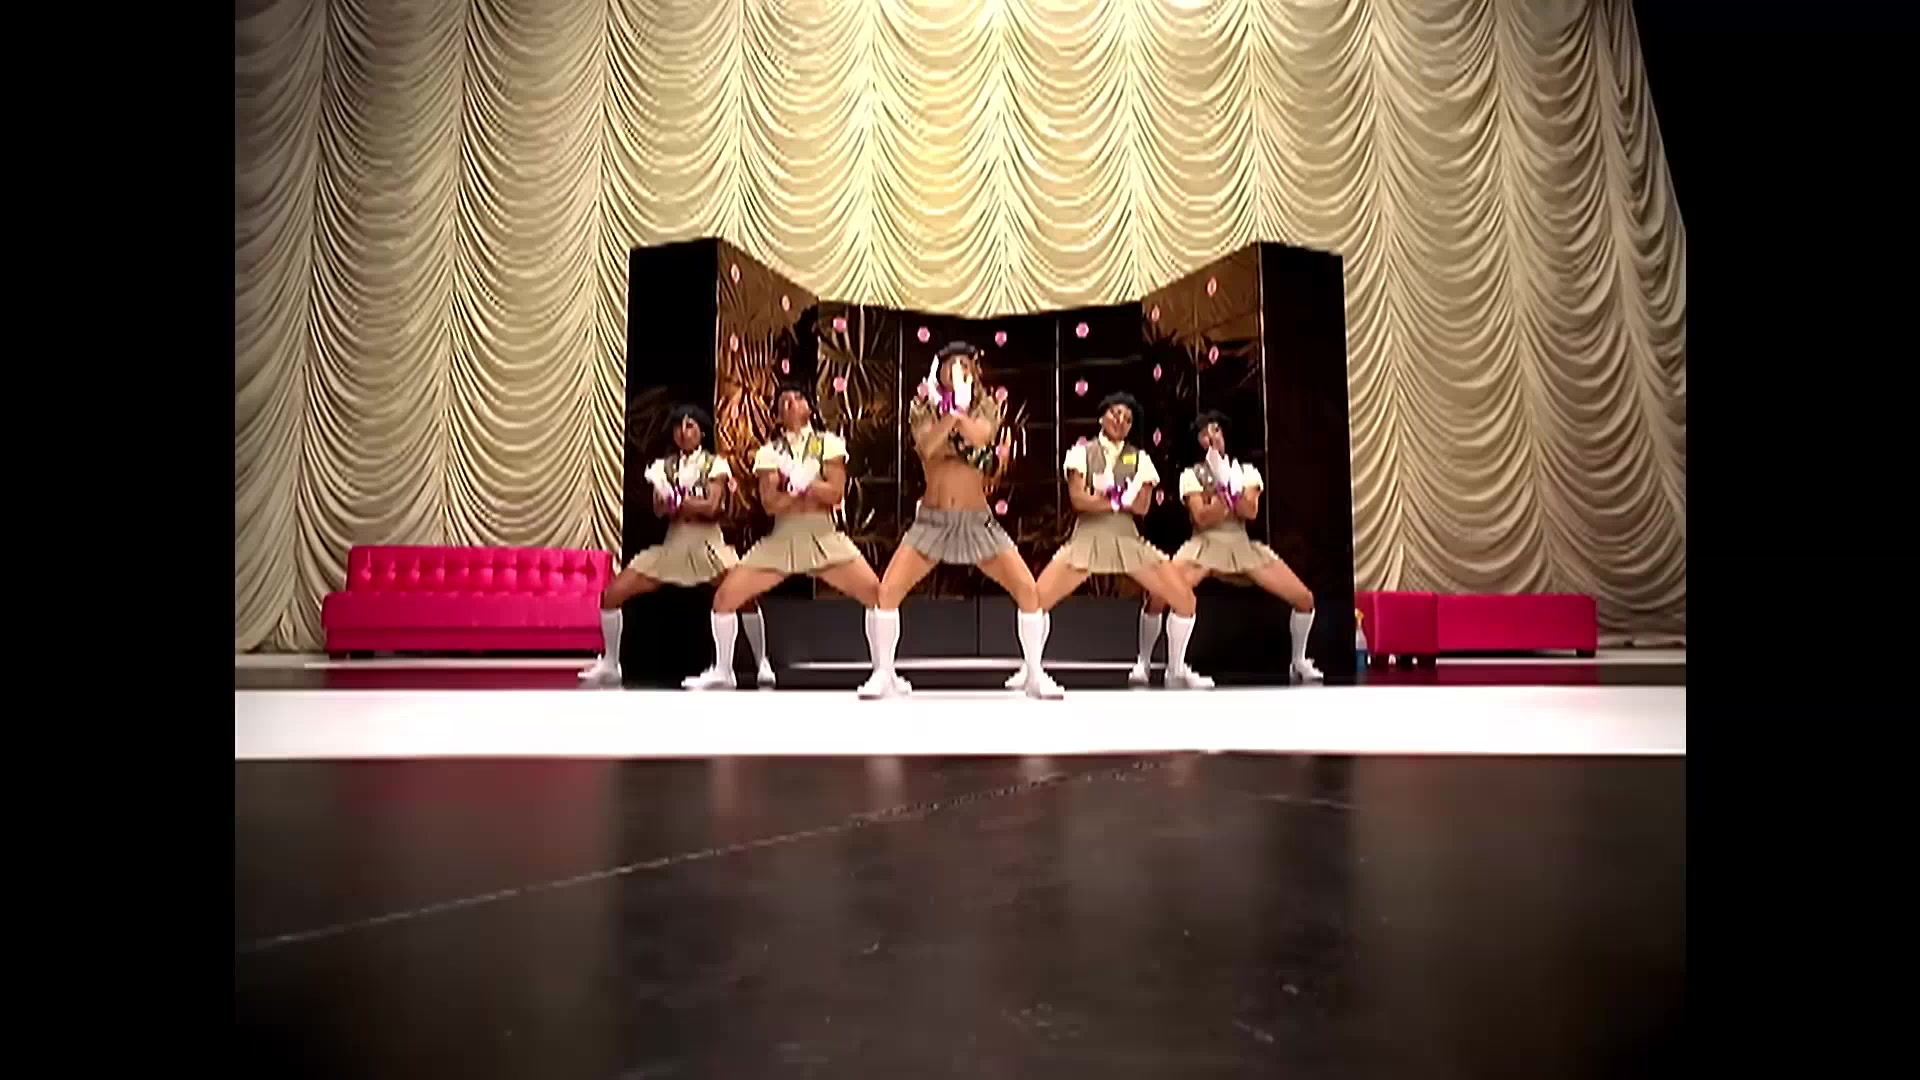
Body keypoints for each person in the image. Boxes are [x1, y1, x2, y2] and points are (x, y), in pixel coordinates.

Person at [865, 342, 1062, 699]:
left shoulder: (985, 406)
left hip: (977, 522)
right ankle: (884, 673)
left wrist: (960, 411)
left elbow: (982, 436)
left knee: (1028, 590)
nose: (959, 370)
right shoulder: (923, 407)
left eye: (966, 365)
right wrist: (951, 414)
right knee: (887, 591)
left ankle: (1035, 672)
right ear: (938, 370)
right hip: (932, 523)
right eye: (952, 364)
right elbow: (927, 446)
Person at [682, 382, 889, 691]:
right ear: (777, 415)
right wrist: (801, 490)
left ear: (810, 407)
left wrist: (803, 484)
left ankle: (884, 672)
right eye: (784, 400)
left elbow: (834, 494)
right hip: (782, 538)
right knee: (724, 598)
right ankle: (724, 671)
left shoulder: (828, 444)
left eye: (798, 398)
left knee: (878, 595)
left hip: (823, 536)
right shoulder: (769, 452)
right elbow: (771, 503)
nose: (791, 403)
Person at [1005, 392, 1212, 690]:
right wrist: (1117, 500)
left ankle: (1175, 670)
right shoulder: (1081, 453)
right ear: (1102, 417)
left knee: (1185, 600)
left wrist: (1106, 498)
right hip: (1087, 539)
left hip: (1127, 540)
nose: (1121, 421)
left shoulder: (1139, 458)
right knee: (1035, 600)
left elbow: (1143, 506)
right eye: (1116, 413)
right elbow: (1079, 500)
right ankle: (1031, 668)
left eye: (1128, 419)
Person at [578, 403, 774, 687]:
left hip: (707, 545)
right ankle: (610, 664)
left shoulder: (714, 464)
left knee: (743, 598)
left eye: (690, 425)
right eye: (678, 426)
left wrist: (680, 503)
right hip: (674, 546)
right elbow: (659, 509)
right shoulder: (663, 466)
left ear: (701, 432)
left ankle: (756, 664)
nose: (683, 431)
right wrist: (683, 504)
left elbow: (712, 507)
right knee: (612, 594)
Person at [1135, 410, 1323, 682]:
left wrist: (1229, 494)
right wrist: (1226, 496)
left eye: (1215, 430)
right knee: (1159, 595)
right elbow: (1201, 516)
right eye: (1204, 434)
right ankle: (1147, 663)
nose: (1211, 437)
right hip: (1204, 544)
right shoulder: (1191, 475)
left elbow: (1250, 511)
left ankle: (1299, 661)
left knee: (1304, 599)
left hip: (1241, 546)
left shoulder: (1246, 472)